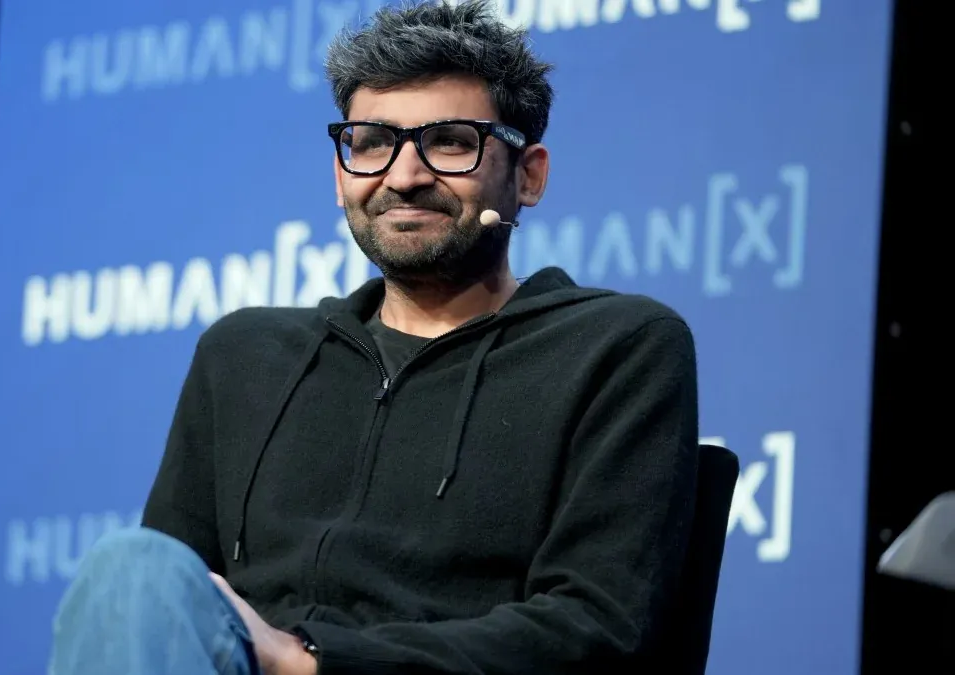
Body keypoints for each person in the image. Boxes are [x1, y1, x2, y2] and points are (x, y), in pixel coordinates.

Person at [47, 1, 700, 673]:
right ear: (341, 176)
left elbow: (596, 627)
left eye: (451, 141)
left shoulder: (616, 348)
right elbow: (166, 607)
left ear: (528, 175)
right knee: (130, 568)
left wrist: (311, 660)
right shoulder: (244, 356)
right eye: (372, 143)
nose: (404, 176)